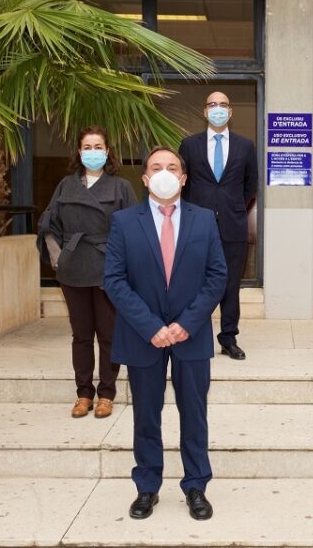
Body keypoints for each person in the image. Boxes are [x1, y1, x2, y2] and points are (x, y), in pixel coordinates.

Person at [104, 147, 227, 521]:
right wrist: (151, 326)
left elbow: (216, 276)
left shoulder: (205, 220)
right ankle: (146, 487)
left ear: (184, 178)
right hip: (144, 336)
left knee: (194, 414)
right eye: (156, 167)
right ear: (144, 178)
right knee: (146, 414)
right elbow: (114, 279)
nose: (164, 172)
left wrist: (187, 323)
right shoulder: (124, 222)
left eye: (172, 167)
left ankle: (196, 486)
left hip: (191, 335)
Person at [39, 126, 138, 419]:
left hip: (109, 268)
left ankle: (107, 393)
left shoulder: (121, 187)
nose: (92, 152)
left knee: (108, 335)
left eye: (98, 147)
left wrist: (123, 266)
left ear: (107, 152)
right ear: (79, 152)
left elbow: (134, 230)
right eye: (87, 147)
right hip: (73, 269)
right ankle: (84, 393)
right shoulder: (65, 186)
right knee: (81, 335)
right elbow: (48, 225)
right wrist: (59, 259)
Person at [178, 91, 258, 361]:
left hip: (233, 225)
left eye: (223, 104)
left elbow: (251, 186)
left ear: (231, 112)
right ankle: (194, 333)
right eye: (213, 104)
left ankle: (228, 338)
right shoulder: (189, 145)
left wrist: (233, 207)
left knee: (230, 284)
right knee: (196, 283)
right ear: (205, 111)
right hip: (197, 226)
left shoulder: (245, 146)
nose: (218, 109)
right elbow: (182, 184)